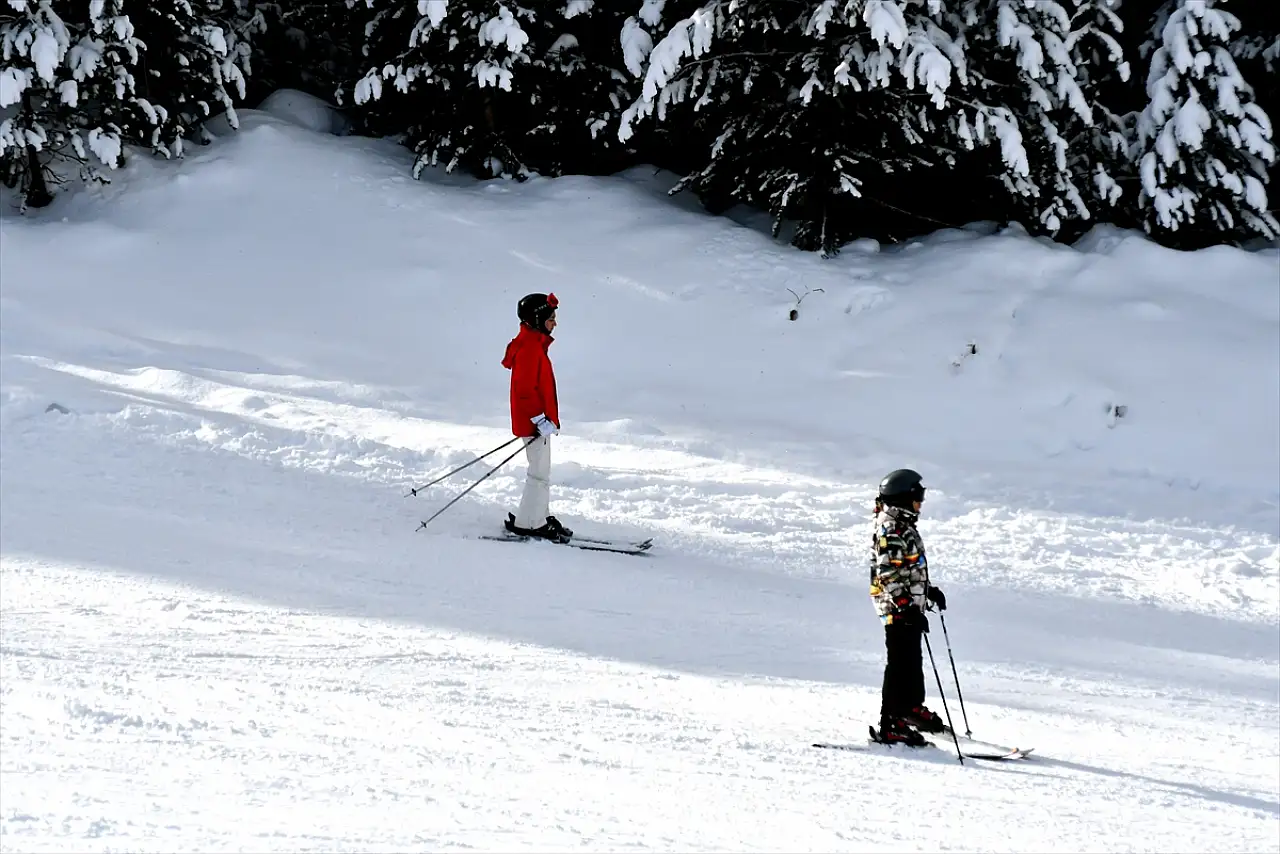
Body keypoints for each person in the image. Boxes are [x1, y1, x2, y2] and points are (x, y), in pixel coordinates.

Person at [869, 468, 948, 746]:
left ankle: (911, 708)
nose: (921, 502)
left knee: (912, 661)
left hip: (907, 607)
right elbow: (887, 575)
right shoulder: (891, 528)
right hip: (895, 608)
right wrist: (906, 608)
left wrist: (928, 592)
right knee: (900, 663)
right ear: (903, 498)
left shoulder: (903, 525)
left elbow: (908, 569)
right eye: (918, 496)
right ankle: (891, 721)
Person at [502, 292, 573, 543]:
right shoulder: (531, 348)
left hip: (538, 423)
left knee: (542, 471)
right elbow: (524, 391)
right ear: (536, 319)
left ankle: (538, 516)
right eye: (551, 318)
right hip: (535, 423)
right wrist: (539, 419)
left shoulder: (532, 343)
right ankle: (530, 523)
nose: (555, 323)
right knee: (539, 473)